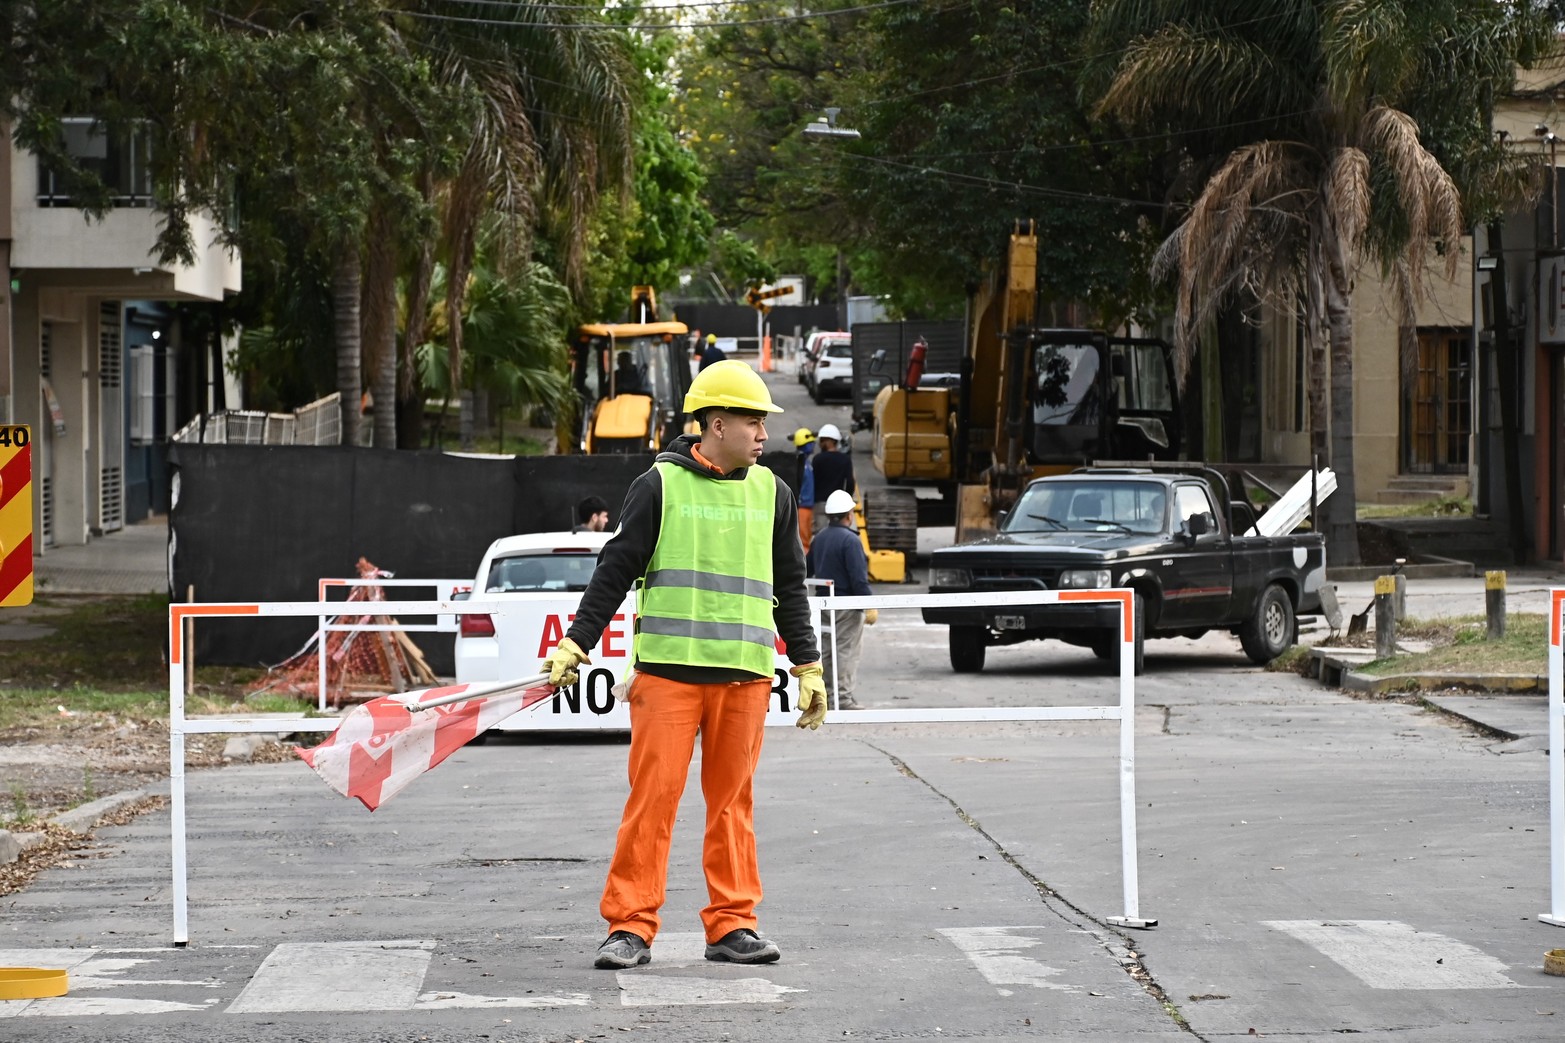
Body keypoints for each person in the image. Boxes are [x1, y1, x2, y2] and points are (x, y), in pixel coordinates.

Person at [540, 359, 828, 972]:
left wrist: (807, 664)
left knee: (733, 806)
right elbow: (613, 571)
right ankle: (630, 926)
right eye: (753, 420)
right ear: (715, 424)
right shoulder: (658, 486)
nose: (763, 433)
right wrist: (577, 641)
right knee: (654, 802)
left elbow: (791, 587)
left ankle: (733, 925)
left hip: (744, 679)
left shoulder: (772, 493)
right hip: (669, 676)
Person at [806, 488, 876, 711]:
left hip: (824, 604)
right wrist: (868, 605)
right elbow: (858, 579)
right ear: (849, 515)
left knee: (826, 651)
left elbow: (807, 570)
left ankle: (826, 696)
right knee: (846, 651)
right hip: (847, 606)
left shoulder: (819, 539)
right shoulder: (851, 541)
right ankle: (843, 698)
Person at [809, 423, 855, 534]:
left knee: (820, 535)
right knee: (840, 534)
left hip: (820, 504)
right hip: (838, 505)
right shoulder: (845, 460)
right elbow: (850, 483)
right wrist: (846, 499)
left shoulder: (817, 459)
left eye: (822, 440)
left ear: (828, 441)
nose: (820, 444)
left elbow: (811, 482)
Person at [792, 427, 816, 552]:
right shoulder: (799, 463)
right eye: (811, 443)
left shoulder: (806, 462)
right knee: (803, 539)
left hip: (806, 506)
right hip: (802, 506)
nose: (813, 445)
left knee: (806, 536)